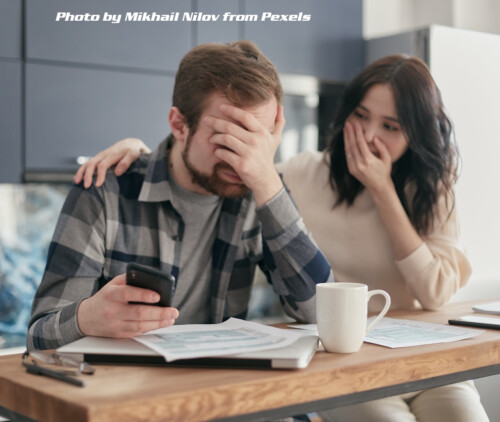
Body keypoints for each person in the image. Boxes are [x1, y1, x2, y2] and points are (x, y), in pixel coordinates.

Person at [78, 55, 489, 421]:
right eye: (360, 116)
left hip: (423, 360)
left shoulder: (432, 190)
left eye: (390, 126)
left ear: (414, 134)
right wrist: (142, 153)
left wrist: (382, 190)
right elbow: (205, 163)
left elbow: (435, 293)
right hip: (343, 362)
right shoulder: (300, 173)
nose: (367, 136)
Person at [27, 40, 334, 351]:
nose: (244, 161)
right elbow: (38, 336)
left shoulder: (260, 189)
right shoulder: (105, 190)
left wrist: (268, 181)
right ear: (179, 125)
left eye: (257, 140)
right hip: (121, 392)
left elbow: (321, 312)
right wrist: (85, 318)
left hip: (218, 390)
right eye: (228, 140)